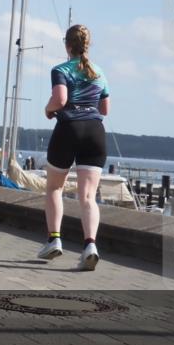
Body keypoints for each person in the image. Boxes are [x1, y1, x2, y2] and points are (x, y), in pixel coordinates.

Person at [38, 24, 110, 270]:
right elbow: (105, 110)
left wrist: (48, 109)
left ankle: (54, 240)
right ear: (86, 45)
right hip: (95, 132)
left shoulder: (60, 70)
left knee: (54, 188)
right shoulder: (99, 72)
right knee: (88, 197)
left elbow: (60, 100)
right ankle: (90, 245)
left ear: (67, 45)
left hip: (69, 130)